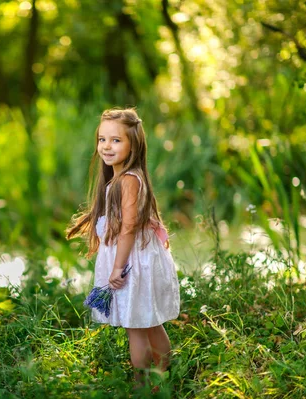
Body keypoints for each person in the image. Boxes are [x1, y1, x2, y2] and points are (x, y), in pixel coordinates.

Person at [66, 107, 180, 388]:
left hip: (131, 262)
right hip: (137, 257)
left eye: (116, 140)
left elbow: (128, 227)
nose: (106, 146)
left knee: (137, 327)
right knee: (149, 322)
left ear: (134, 145)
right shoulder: (121, 179)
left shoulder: (128, 180)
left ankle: (143, 384)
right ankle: (161, 380)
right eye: (102, 139)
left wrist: (117, 268)